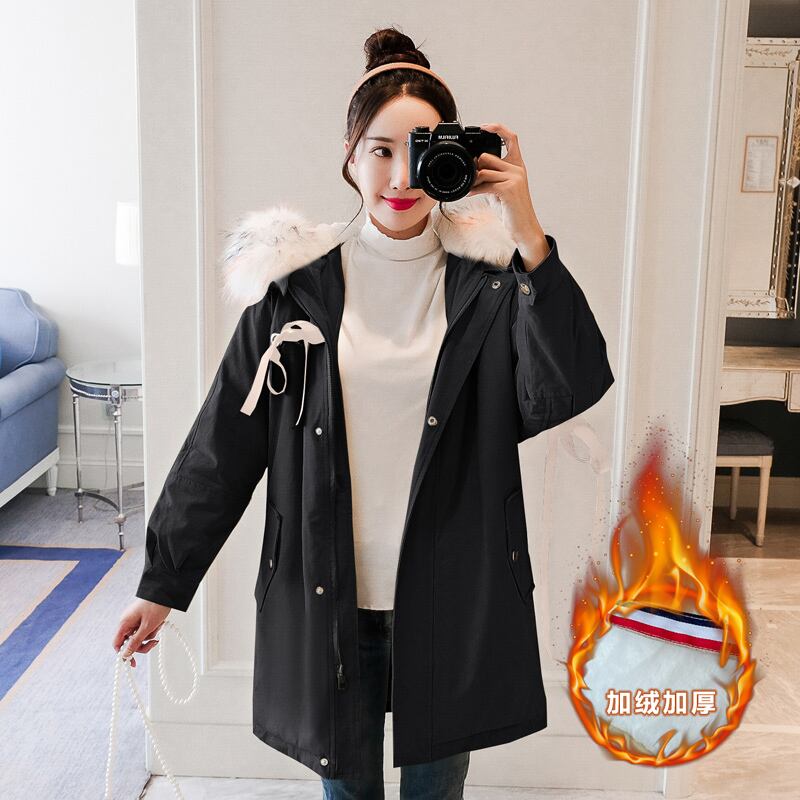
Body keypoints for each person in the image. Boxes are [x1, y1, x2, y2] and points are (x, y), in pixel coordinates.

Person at [113, 26, 614, 800]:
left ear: (457, 157)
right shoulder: (292, 290)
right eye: (381, 150)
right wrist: (162, 582)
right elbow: (223, 446)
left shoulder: (493, 287)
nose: (401, 174)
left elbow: (566, 387)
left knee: (435, 791)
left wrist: (525, 225)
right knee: (346, 794)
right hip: (328, 597)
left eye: (422, 148)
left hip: (454, 598)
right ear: (349, 158)